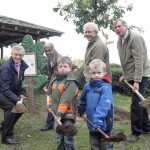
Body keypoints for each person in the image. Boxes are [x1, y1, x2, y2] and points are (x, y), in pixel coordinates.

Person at [113, 18, 150, 142]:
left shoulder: (135, 38)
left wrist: (137, 81)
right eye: (115, 28)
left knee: (135, 104)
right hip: (131, 75)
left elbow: (139, 60)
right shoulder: (119, 41)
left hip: (140, 75)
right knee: (140, 102)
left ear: (125, 26)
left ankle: (136, 133)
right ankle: (146, 128)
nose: (117, 29)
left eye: (119, 26)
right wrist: (124, 74)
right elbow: (125, 61)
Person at [78, 59, 114, 150]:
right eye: (94, 73)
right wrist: (80, 110)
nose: (96, 75)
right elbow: (83, 100)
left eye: (99, 72)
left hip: (104, 122)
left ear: (104, 72)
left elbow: (103, 106)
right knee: (94, 144)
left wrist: (98, 121)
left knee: (105, 145)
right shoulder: (87, 86)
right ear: (90, 73)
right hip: (91, 122)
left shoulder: (105, 88)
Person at [47, 56, 79, 150]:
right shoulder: (55, 80)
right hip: (57, 114)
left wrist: (59, 113)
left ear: (70, 68)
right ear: (57, 67)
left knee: (68, 137)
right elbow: (51, 94)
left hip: (68, 114)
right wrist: (49, 105)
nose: (63, 68)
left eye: (65, 66)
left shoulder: (71, 82)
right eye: (60, 66)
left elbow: (66, 99)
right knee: (59, 136)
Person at [0, 45, 28, 145]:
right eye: (16, 54)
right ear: (11, 54)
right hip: (2, 91)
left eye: (20, 55)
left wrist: (20, 94)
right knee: (11, 107)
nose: (18, 57)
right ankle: (6, 137)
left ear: (23, 55)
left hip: (7, 92)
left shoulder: (21, 66)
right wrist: (16, 100)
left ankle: (4, 126)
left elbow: (18, 83)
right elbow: (4, 88)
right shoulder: (6, 67)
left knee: (21, 109)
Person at [41, 42, 62, 131]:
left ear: (53, 49)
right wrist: (47, 84)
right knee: (51, 103)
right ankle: (50, 123)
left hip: (60, 83)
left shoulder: (59, 59)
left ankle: (55, 123)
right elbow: (50, 74)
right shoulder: (50, 58)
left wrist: (48, 88)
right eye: (45, 51)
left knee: (56, 103)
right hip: (53, 83)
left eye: (49, 50)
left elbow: (56, 75)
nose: (47, 52)